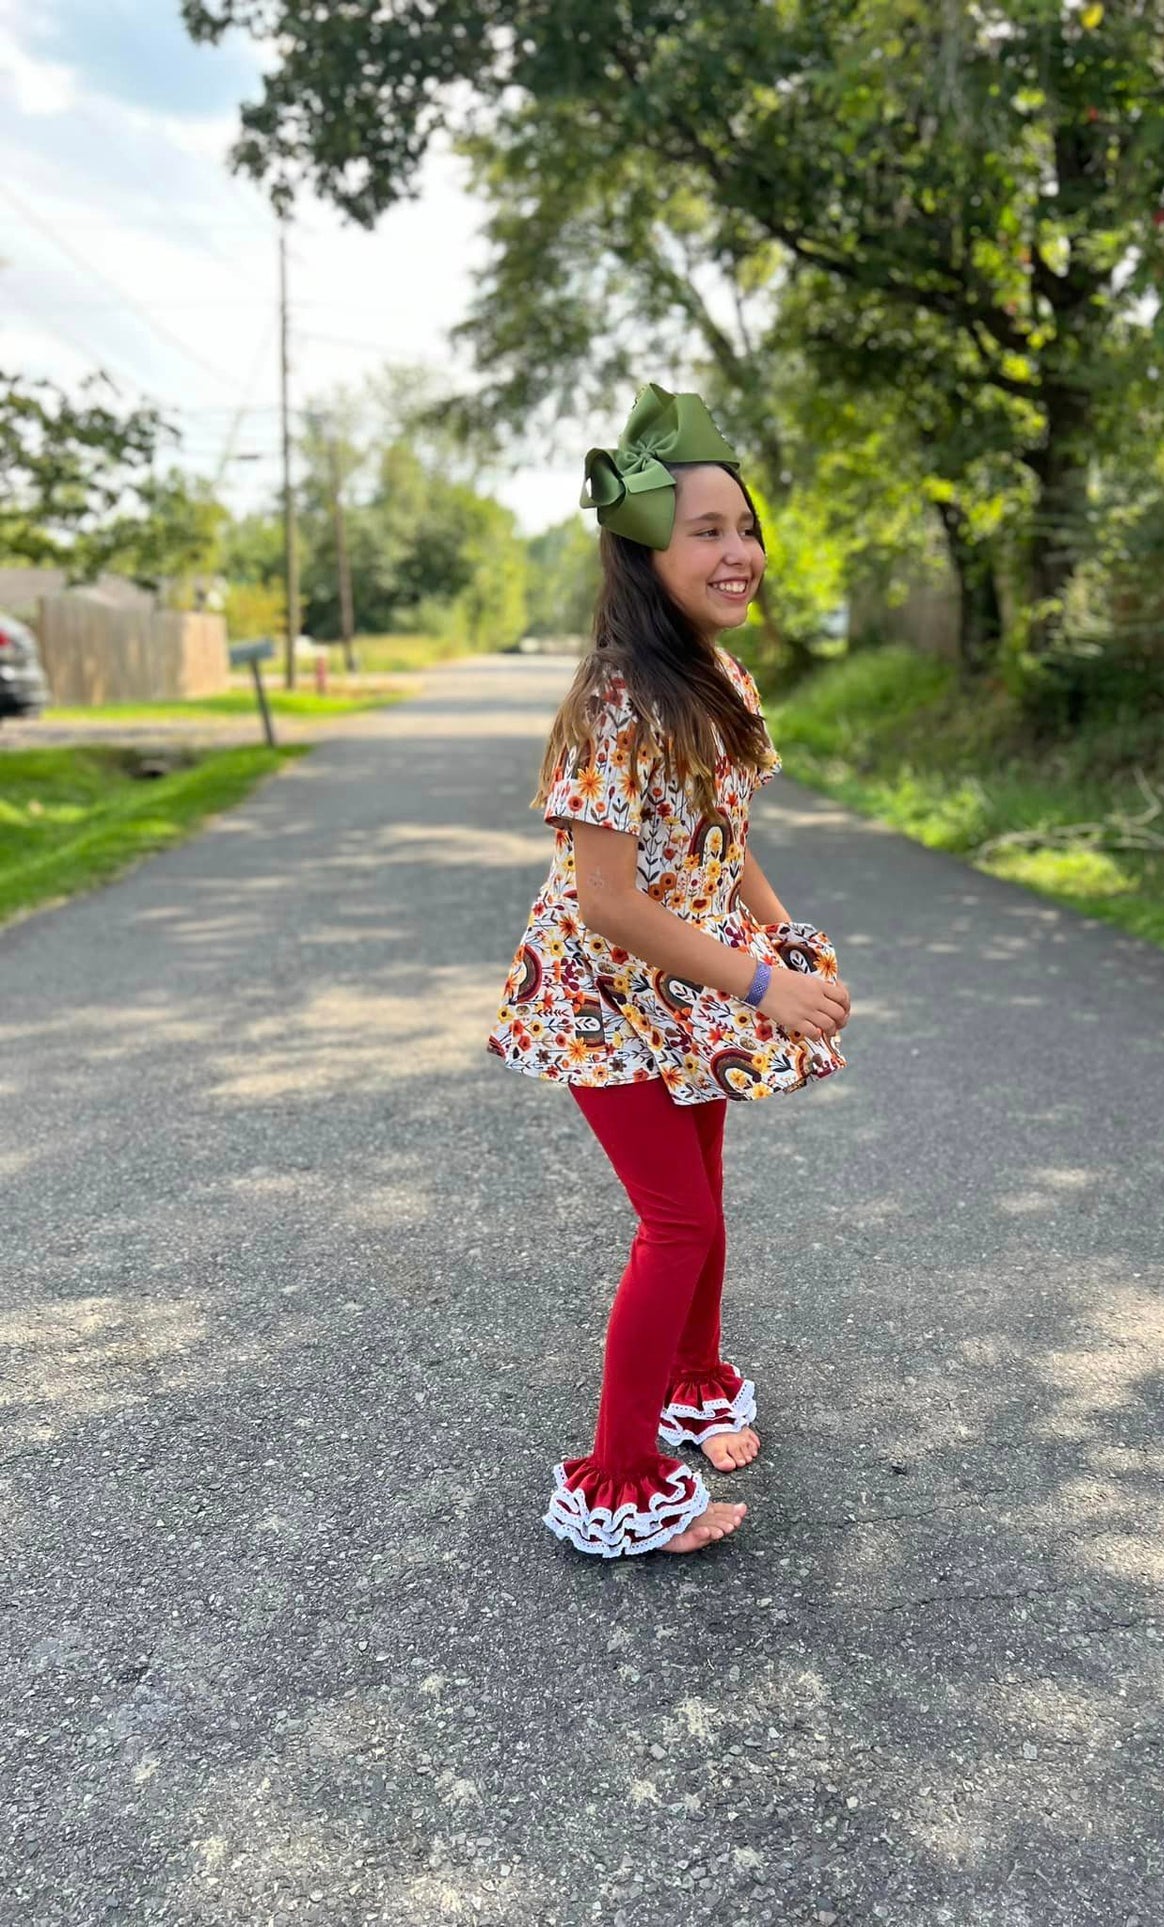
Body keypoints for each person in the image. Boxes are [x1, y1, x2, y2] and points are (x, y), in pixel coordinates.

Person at [488, 381, 852, 1559]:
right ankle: (619, 1481)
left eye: (745, 527)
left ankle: (696, 1381)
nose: (739, 550)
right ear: (644, 553)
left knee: (705, 1197)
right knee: (677, 1223)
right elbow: (606, 898)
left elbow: (719, 839)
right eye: (708, 530)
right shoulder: (616, 700)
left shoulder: (719, 683)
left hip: (682, 986)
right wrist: (758, 988)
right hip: (604, 993)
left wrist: (784, 943)